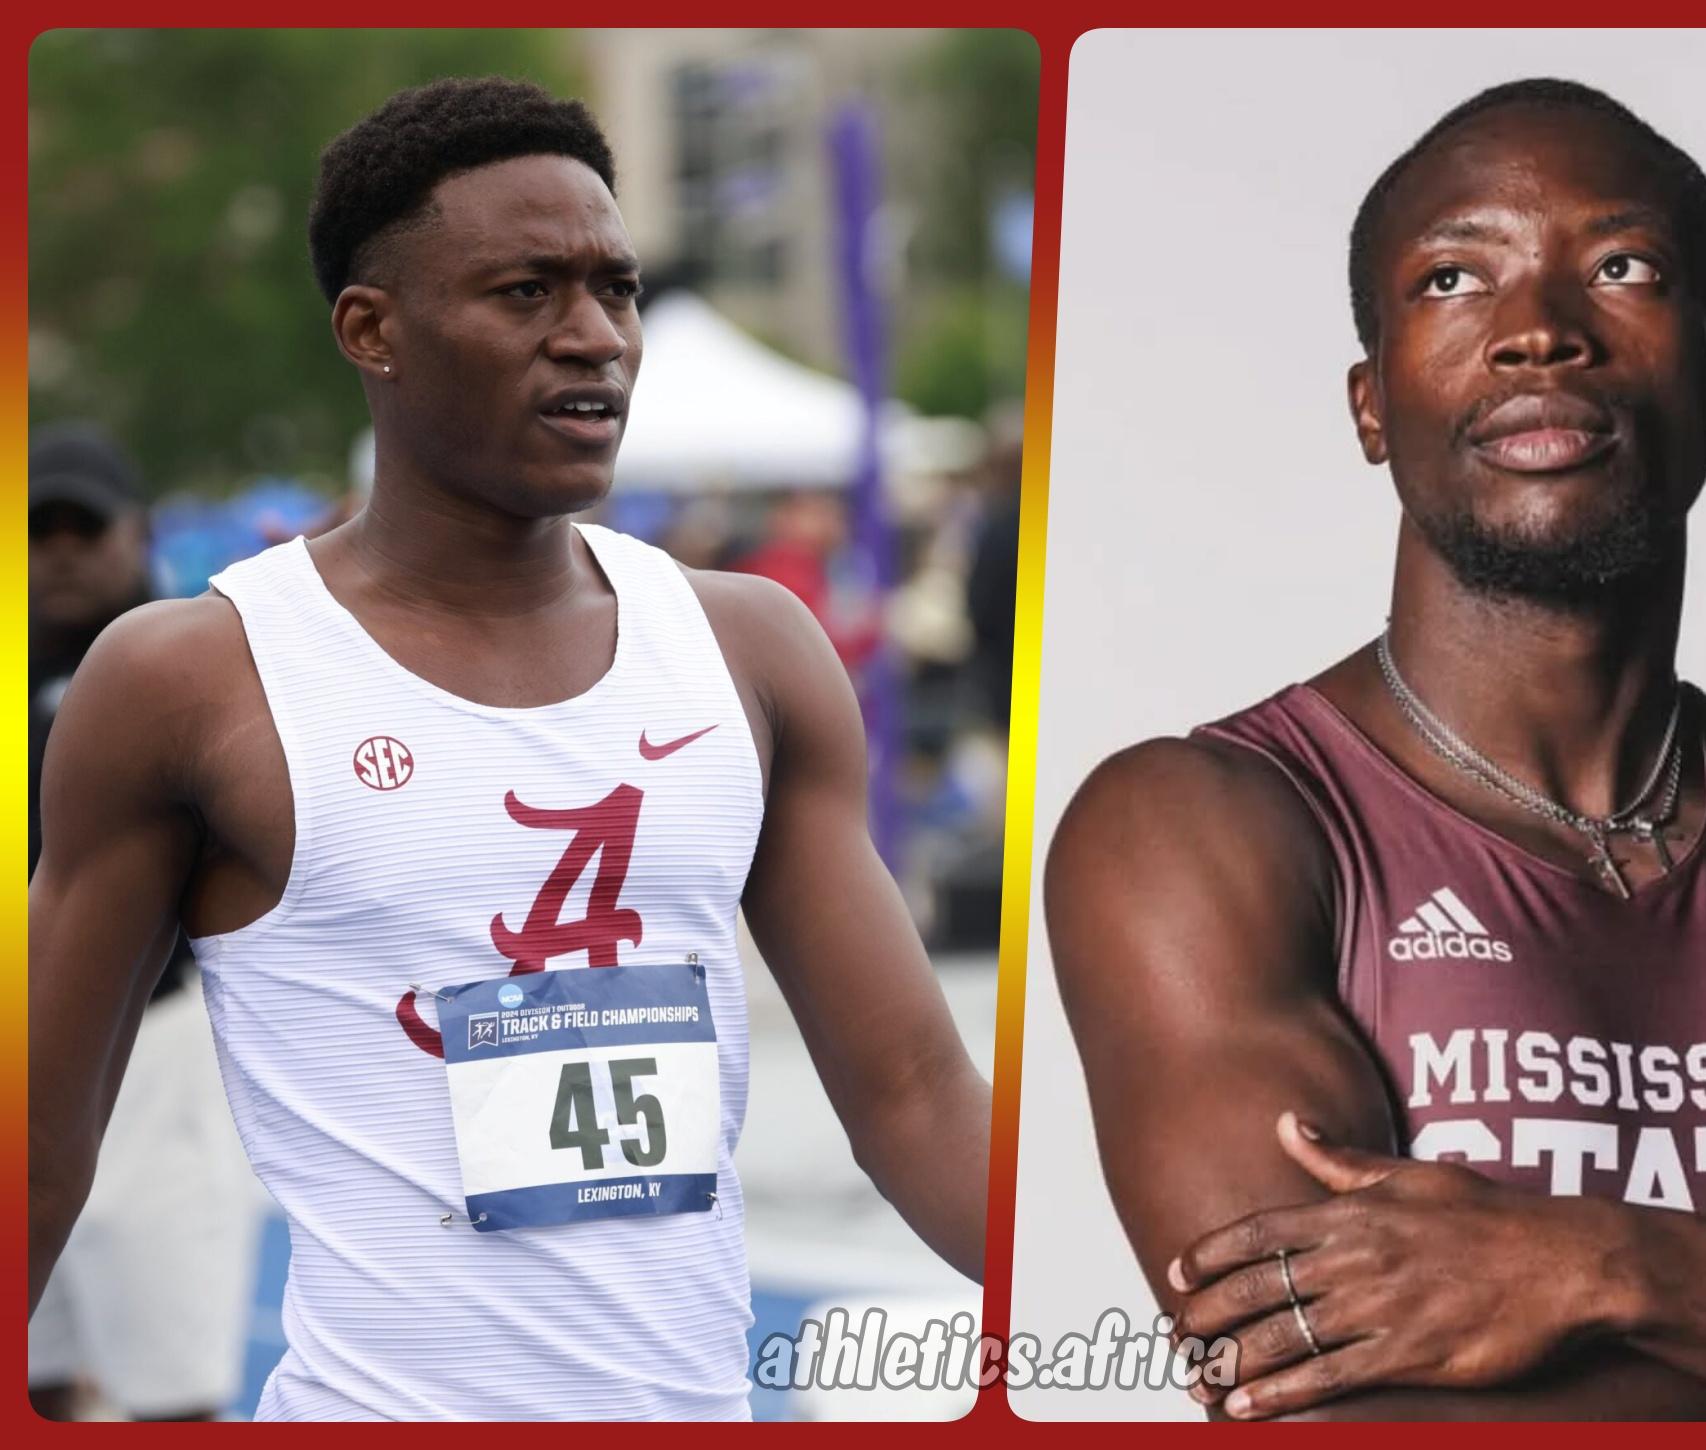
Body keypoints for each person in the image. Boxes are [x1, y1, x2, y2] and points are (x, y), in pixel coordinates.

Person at [1047, 79, 1706, 1420]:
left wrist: (1598, 1262)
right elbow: (1341, 1396)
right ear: (1371, 404)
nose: (1542, 334)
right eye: (1454, 277)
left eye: (1624, 268)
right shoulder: (1202, 824)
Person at [30, 77, 990, 1421]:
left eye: (617, 287)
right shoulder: (195, 679)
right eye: (527, 293)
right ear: (373, 330)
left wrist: (1201, 1291)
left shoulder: (750, 650)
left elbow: (915, 1095)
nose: (594, 336)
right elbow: (36, 1148)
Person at [27, 426, 260, 1421]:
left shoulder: (191, 662)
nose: (63, 549)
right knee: (35, 1368)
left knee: (170, 1379)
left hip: (152, 1042)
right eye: (40, 529)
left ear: (140, 530)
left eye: (86, 525)